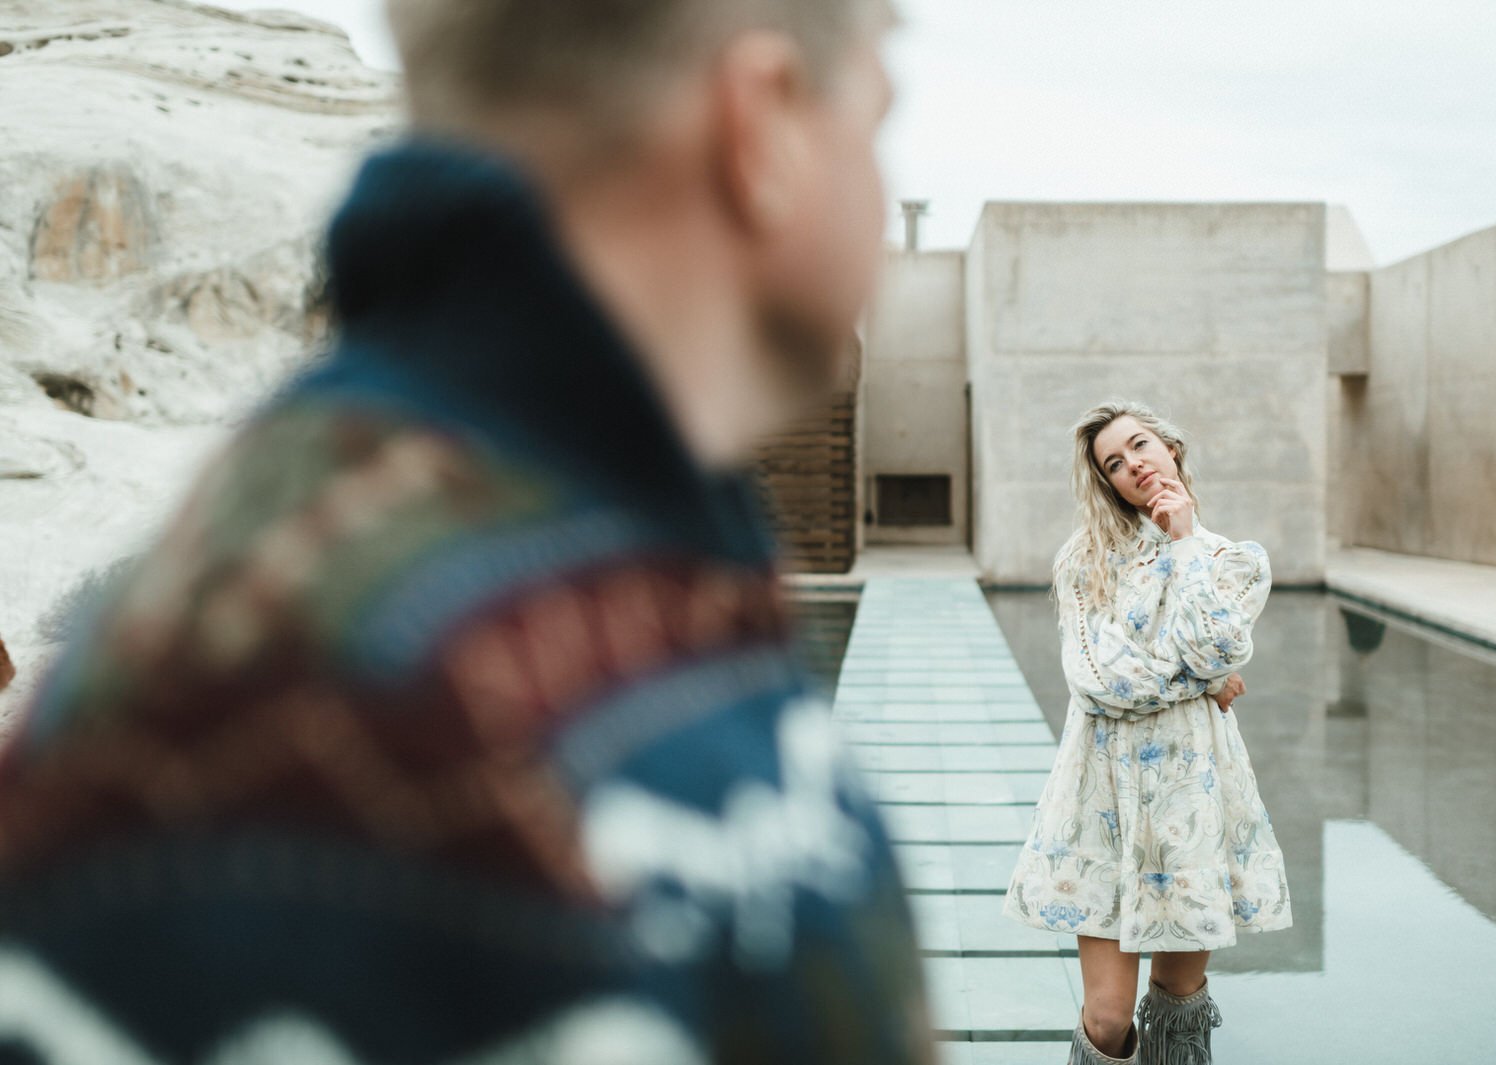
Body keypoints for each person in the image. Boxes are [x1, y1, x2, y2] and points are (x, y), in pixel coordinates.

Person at [0, 2, 934, 1063]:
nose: (883, 183)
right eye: (876, 112)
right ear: (760, 127)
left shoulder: (579, 545)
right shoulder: (320, 716)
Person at [1002, 400, 1292, 1065]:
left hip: (1189, 798)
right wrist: (1204, 677)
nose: (1132, 463)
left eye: (1139, 445)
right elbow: (1099, 675)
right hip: (1099, 794)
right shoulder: (1085, 560)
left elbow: (1217, 646)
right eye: (1114, 462)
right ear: (1109, 483)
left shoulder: (1234, 560)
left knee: (1177, 1007)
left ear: (1170, 448)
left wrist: (1185, 544)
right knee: (1106, 1020)